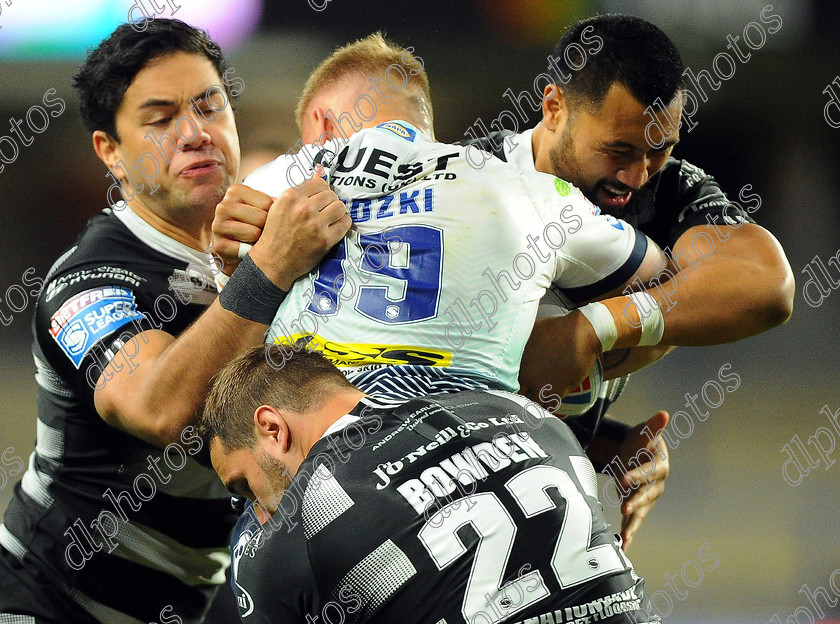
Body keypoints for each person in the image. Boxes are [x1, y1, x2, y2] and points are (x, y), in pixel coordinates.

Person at [211, 33, 674, 550]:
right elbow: (666, 288)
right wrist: (589, 343)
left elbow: (225, 367)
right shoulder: (519, 189)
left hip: (328, 490)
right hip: (479, 487)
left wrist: (235, 266)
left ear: (318, 124)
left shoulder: (280, 182)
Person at [0, 19, 350, 624]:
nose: (195, 133)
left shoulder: (270, 241)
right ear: (110, 151)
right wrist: (268, 271)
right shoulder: (85, 279)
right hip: (47, 601)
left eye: (210, 106)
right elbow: (161, 409)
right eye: (160, 119)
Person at [464, 14, 794, 548]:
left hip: (531, 516)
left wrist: (594, 333)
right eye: (618, 151)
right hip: (430, 514)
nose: (636, 176)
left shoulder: (665, 191)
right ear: (554, 108)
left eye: (659, 150)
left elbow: (767, 283)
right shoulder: (463, 176)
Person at [199, 345, 662, 624]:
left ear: (272, 428)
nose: (255, 511)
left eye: (244, 487)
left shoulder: (294, 530)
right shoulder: (522, 410)